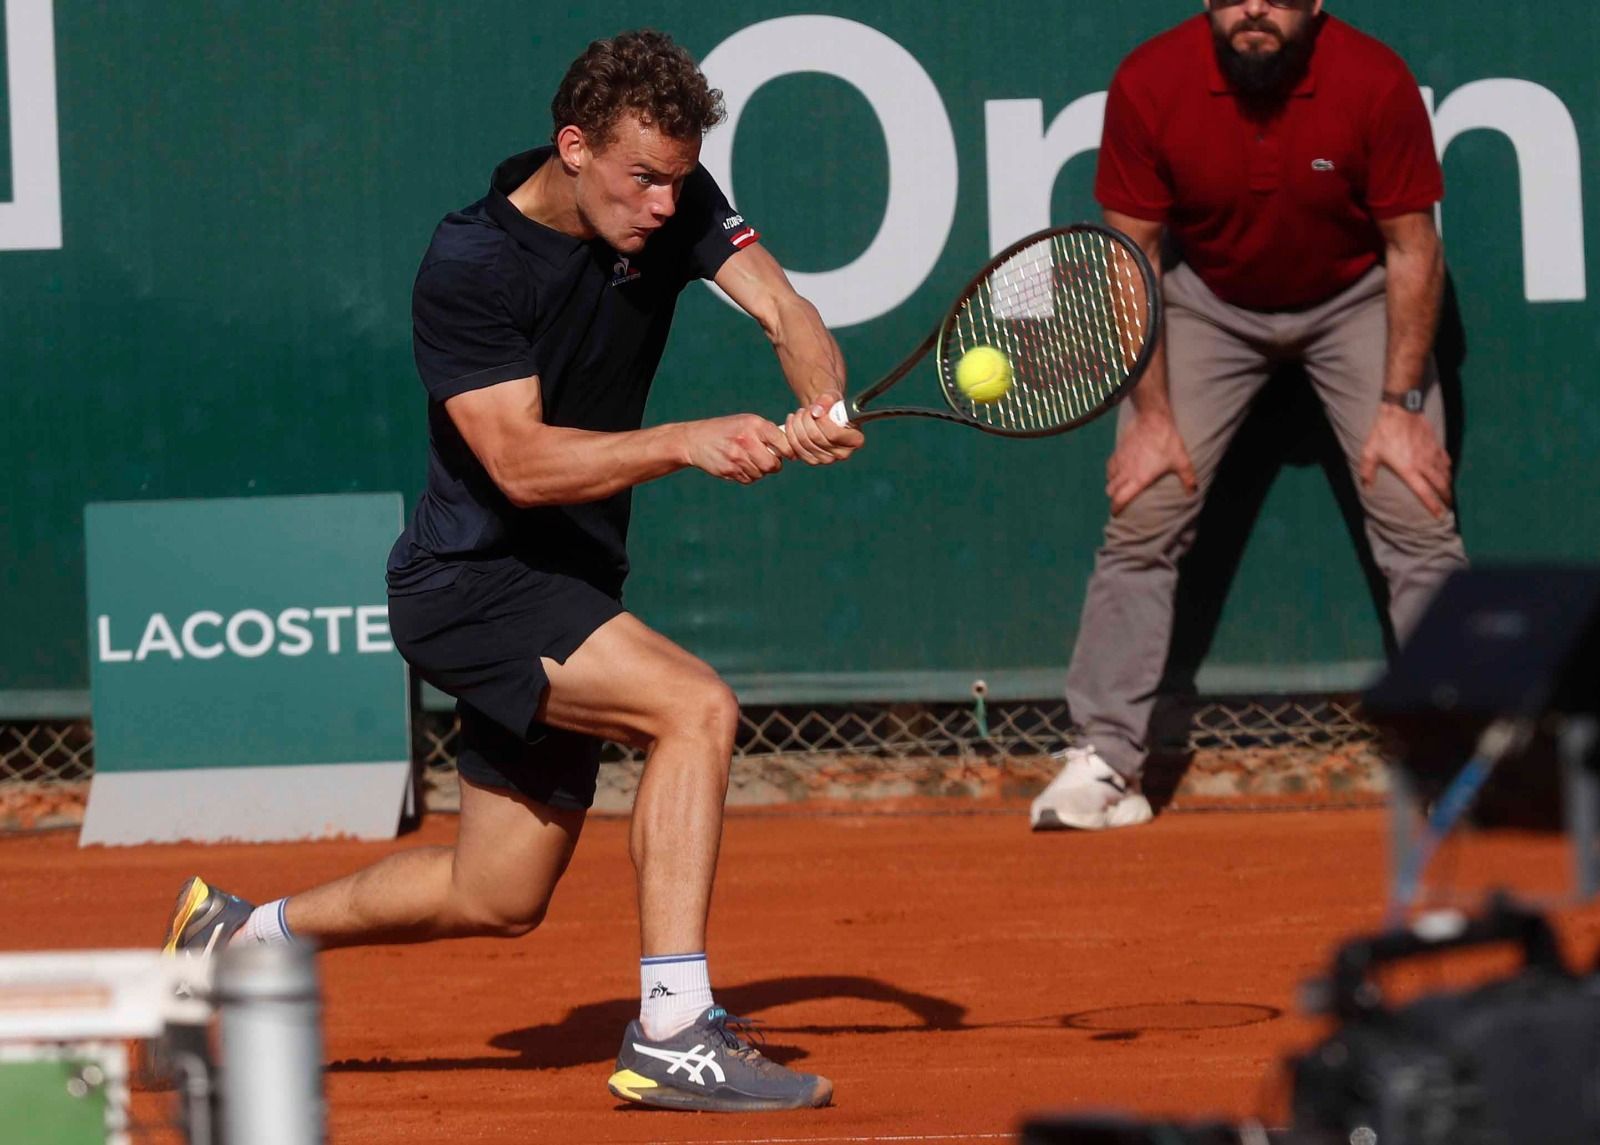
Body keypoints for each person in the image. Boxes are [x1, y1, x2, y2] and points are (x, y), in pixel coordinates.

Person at [162, 29, 861, 1112]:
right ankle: (674, 1027)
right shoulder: (469, 264)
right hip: (471, 580)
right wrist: (686, 440)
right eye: (642, 179)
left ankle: (241, 933)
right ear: (573, 147)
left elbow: (785, 307)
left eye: (679, 179)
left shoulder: (668, 196)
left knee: (496, 892)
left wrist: (821, 400)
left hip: (571, 584)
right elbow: (522, 464)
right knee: (694, 710)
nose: (666, 206)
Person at [1030, 0, 1467, 831]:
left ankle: (1465, 752)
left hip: (1357, 299)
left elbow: (1414, 248)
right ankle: (1105, 756)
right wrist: (1152, 414)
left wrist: (1402, 404)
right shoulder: (1150, 80)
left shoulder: (1373, 80)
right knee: (1147, 505)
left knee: (1414, 505)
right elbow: (1133, 259)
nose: (1254, 9)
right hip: (1208, 303)